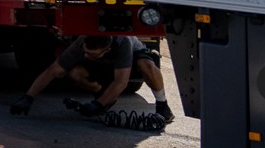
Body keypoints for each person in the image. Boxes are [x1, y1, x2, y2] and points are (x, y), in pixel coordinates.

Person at [11, 32, 171, 120]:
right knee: (75, 72)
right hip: (102, 65)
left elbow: (121, 82)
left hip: (130, 61)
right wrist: (28, 97)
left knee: (147, 65)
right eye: (85, 53)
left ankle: (163, 106)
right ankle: (102, 94)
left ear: (106, 50)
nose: (86, 56)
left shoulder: (123, 43)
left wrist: (97, 105)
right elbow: (53, 70)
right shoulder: (82, 43)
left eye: (90, 54)